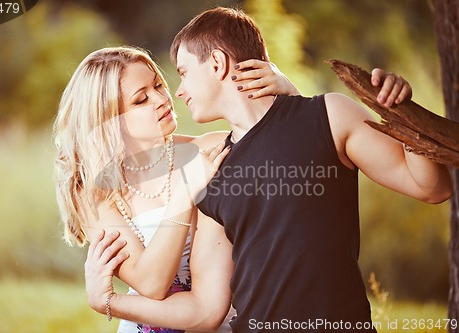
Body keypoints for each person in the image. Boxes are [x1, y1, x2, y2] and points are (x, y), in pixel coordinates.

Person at [84, 6, 453, 333]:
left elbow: (432, 189)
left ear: (217, 64)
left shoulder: (329, 115)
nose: (176, 92)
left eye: (182, 73)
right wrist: (108, 302)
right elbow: (205, 310)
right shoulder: (212, 169)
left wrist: (402, 113)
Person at [53, 45, 302, 333]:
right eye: (141, 99)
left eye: (158, 85)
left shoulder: (211, 149)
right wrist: (185, 194)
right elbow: (151, 284)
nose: (161, 99)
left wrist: (289, 91)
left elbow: (294, 148)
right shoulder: (97, 192)